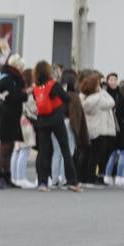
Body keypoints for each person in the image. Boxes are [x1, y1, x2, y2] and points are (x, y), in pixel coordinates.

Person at [31, 60, 80, 192]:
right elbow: (67, 99)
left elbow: (37, 102)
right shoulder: (54, 85)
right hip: (57, 120)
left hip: (42, 121)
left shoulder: (36, 87)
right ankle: (72, 181)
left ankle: (43, 182)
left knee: (43, 151)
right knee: (65, 149)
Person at [0, 54, 28, 186]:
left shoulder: (11, 77)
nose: (22, 69)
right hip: (6, 116)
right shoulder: (7, 78)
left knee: (10, 146)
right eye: (21, 66)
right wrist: (25, 94)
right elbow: (14, 95)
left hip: (12, 116)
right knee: (5, 146)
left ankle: (6, 176)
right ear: (17, 65)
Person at [80, 71, 116, 187]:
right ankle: (91, 178)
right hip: (99, 131)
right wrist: (102, 91)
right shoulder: (99, 98)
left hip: (89, 129)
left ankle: (84, 178)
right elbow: (111, 102)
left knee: (86, 155)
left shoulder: (83, 97)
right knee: (95, 157)